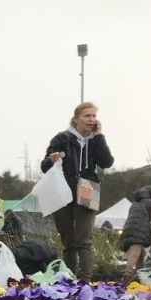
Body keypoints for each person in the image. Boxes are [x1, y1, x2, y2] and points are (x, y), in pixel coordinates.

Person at [39, 102, 114, 282]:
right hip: (62, 190)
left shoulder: (96, 140)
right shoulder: (62, 138)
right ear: (76, 119)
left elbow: (107, 162)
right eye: (87, 116)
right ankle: (68, 278)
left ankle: (86, 281)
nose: (91, 119)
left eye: (94, 116)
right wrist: (52, 160)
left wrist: (99, 136)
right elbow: (44, 166)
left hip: (88, 189)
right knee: (69, 242)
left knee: (84, 241)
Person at [121, 185, 151, 283]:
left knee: (141, 256)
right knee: (135, 254)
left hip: (128, 230)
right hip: (138, 232)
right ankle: (126, 278)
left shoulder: (134, 204)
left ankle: (139, 277)